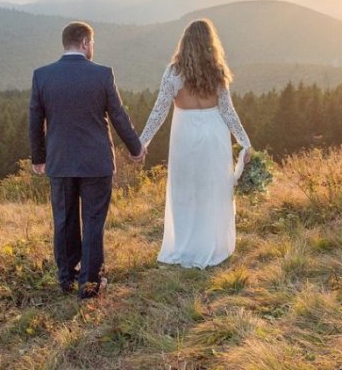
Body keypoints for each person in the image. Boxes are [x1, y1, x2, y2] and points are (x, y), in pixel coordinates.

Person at [29, 21, 145, 298]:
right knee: (93, 220)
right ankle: (90, 284)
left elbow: (35, 121)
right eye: (92, 43)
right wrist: (136, 148)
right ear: (84, 43)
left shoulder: (42, 76)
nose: (93, 47)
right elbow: (118, 115)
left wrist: (38, 157)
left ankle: (66, 278)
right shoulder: (102, 75)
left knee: (64, 219)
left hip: (60, 161)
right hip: (96, 163)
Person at [140, 18, 252, 269]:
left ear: (185, 43)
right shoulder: (218, 71)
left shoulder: (173, 72)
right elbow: (228, 112)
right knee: (212, 189)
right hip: (215, 133)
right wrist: (245, 142)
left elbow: (159, 111)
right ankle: (211, 244)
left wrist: (142, 142)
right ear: (210, 43)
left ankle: (187, 246)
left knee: (185, 190)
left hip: (186, 135)